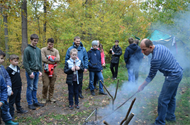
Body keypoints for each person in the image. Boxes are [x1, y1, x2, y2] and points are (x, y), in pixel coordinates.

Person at [138, 39, 183, 125]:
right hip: (178, 72)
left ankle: (160, 122)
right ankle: (170, 117)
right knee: (171, 97)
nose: (142, 52)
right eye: (141, 49)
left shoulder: (156, 58)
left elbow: (151, 75)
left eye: (144, 49)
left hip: (173, 76)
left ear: (150, 47)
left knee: (163, 99)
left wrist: (142, 86)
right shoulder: (159, 46)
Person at [23, 34, 44, 110]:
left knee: (35, 87)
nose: (35, 42)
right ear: (31, 40)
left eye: (37, 41)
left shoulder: (38, 50)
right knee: (30, 87)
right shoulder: (27, 49)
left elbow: (39, 60)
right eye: (34, 41)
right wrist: (29, 72)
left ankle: (35, 101)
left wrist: (40, 70)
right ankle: (30, 103)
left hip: (37, 71)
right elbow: (25, 62)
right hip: (31, 72)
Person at [0, 50, 19, 125]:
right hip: (2, 92)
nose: (3, 60)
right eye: (1, 58)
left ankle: (8, 121)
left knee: (5, 107)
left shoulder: (2, 68)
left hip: (3, 91)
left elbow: (7, 77)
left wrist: (8, 85)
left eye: (3, 58)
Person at [41, 38, 60, 104]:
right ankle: (44, 97)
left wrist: (48, 58)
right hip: (45, 70)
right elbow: (43, 59)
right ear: (47, 43)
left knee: (52, 84)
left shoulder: (56, 51)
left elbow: (58, 59)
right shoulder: (43, 50)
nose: (50, 46)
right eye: (49, 44)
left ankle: (51, 97)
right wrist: (53, 60)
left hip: (53, 70)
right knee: (45, 84)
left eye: (52, 44)